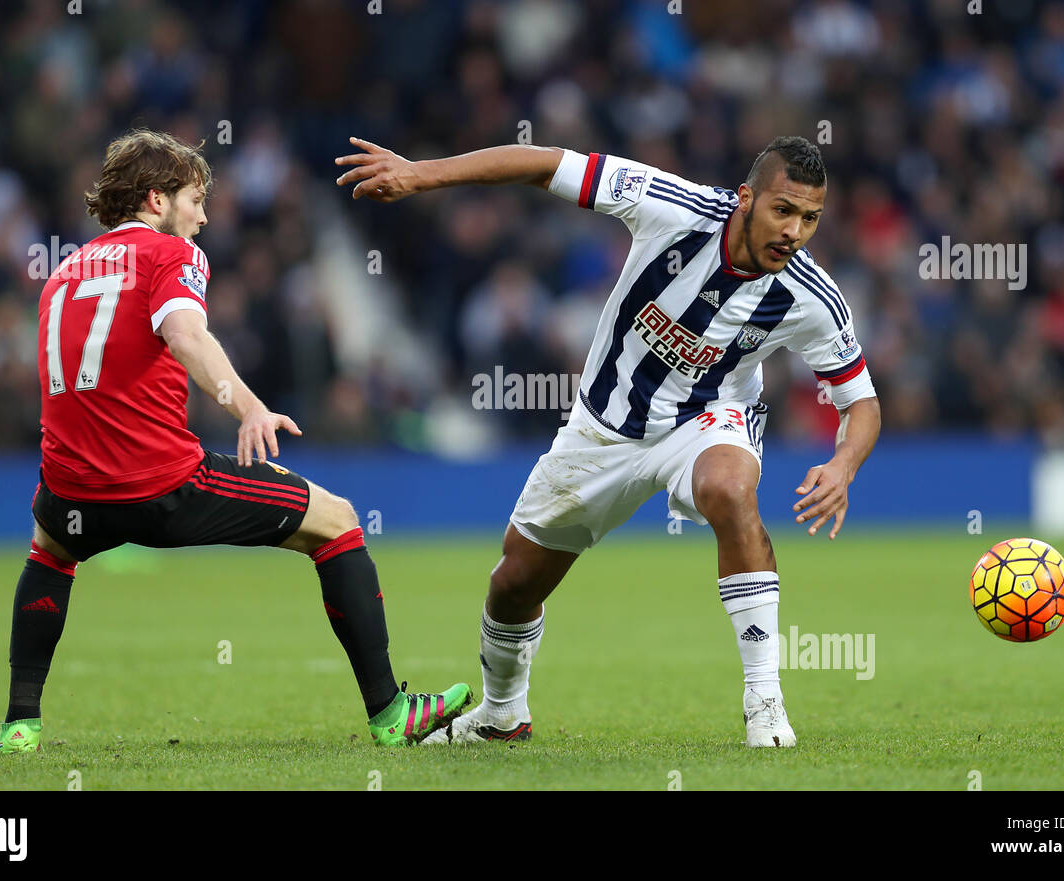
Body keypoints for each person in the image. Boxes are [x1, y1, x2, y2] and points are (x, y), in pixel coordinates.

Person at [335, 135, 880, 747]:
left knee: (729, 489)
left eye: (810, 218)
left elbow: (861, 401)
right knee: (514, 583)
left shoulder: (810, 296)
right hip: (600, 430)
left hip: (707, 421)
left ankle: (765, 704)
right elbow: (545, 164)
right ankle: (501, 713)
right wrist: (421, 174)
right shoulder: (671, 207)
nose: (795, 231)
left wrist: (843, 463)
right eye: (783, 210)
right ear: (745, 199)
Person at [0, 130, 469, 753]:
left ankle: (19, 724)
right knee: (340, 524)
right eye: (194, 198)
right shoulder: (172, 255)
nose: (203, 215)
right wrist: (250, 407)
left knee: (50, 553)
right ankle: (390, 713)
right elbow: (188, 334)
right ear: (155, 200)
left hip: (70, 489)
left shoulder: (62, 273)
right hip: (161, 483)